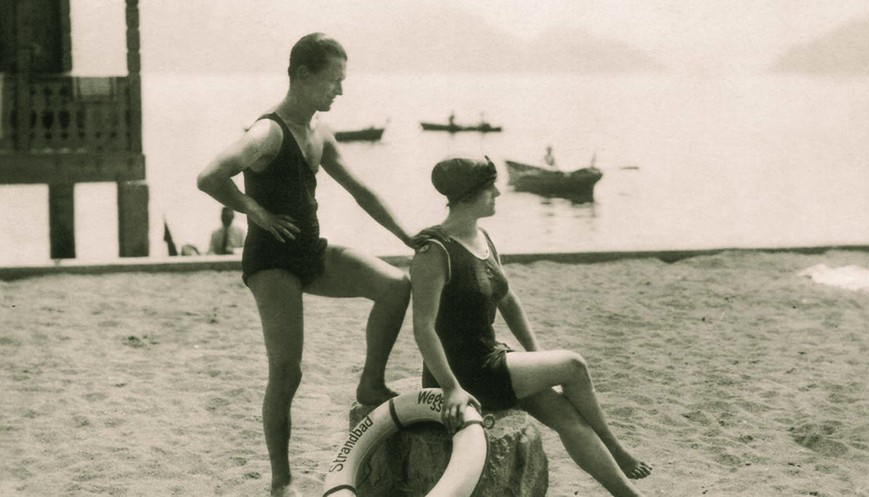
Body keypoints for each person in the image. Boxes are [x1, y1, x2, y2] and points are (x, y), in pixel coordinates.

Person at [196, 33, 416, 496]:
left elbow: (362, 192)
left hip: (311, 250)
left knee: (396, 286)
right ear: (302, 74)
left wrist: (408, 237)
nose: (340, 90)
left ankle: (371, 384)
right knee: (287, 371)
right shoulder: (267, 132)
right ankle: (282, 482)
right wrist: (253, 210)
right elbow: (210, 175)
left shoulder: (319, 133)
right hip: (271, 261)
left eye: (343, 80)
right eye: (334, 80)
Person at [410, 157, 653, 497]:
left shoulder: (483, 238)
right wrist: (450, 387)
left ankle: (628, 495)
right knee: (573, 364)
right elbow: (422, 328)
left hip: (489, 358)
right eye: (489, 187)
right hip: (462, 374)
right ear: (469, 195)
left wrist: (537, 356)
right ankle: (615, 446)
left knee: (566, 414)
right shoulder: (433, 251)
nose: (498, 192)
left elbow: (507, 300)